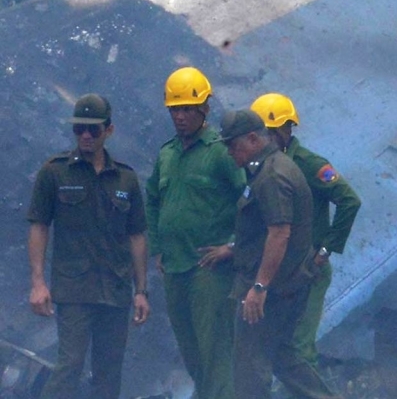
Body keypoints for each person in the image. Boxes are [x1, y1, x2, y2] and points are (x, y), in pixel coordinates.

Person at [27, 94, 150, 399]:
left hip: (116, 289)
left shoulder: (126, 178)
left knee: (109, 374)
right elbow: (39, 226)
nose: (85, 135)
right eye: (79, 128)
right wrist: (38, 282)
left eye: (93, 129)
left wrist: (141, 291)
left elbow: (137, 236)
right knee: (70, 365)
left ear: (108, 130)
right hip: (74, 288)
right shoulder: (54, 172)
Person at [217, 109, 340, 399]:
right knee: (284, 357)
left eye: (232, 144)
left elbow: (279, 233)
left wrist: (259, 288)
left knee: (249, 368)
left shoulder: (272, 175)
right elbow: (263, 231)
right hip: (285, 285)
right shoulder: (271, 167)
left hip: (272, 290)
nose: (229, 151)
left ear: (252, 139)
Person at [145, 67, 245, 399]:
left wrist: (232, 246)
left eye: (188, 108)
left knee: (215, 352)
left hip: (209, 270)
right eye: (176, 109)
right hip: (174, 268)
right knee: (192, 353)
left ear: (204, 109)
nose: (181, 116)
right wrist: (157, 247)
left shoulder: (220, 152)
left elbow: (251, 199)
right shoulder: (167, 154)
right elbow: (153, 200)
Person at [250, 92, 362, 367]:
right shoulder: (261, 169)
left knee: (300, 347)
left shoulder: (309, 164)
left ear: (285, 130)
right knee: (277, 345)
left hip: (309, 271)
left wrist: (325, 250)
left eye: (269, 132)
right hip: (281, 271)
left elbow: (350, 200)